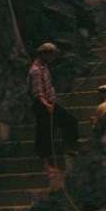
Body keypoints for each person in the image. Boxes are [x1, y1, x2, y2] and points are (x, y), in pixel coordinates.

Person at [28, 42, 79, 171]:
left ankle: (70, 147)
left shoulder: (45, 68)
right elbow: (37, 92)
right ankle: (46, 162)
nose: (53, 58)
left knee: (70, 121)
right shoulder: (36, 70)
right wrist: (46, 105)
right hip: (42, 105)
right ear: (44, 54)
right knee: (44, 133)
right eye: (51, 55)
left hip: (50, 103)